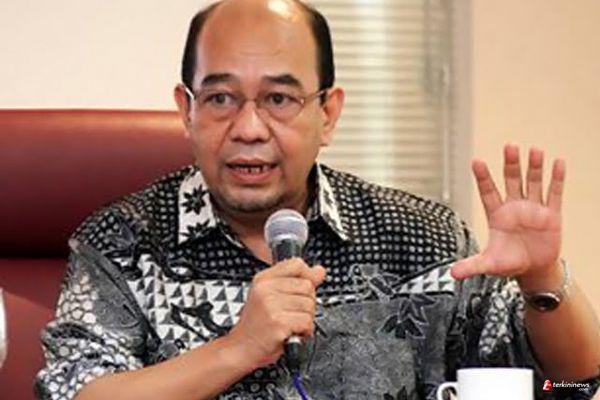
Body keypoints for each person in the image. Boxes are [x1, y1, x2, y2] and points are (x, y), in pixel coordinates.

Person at [35, 0, 600, 399]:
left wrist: (542, 278)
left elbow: (572, 385)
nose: (248, 128)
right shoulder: (122, 242)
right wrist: (238, 348)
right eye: (221, 98)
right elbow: (74, 393)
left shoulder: (424, 238)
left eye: (279, 99)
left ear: (327, 113)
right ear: (187, 110)